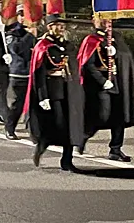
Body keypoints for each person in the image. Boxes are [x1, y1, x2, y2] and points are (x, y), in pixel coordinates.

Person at [25, 14, 85, 171]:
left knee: (70, 126)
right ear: (49, 27)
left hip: (68, 90)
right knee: (58, 124)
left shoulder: (68, 45)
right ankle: (41, 146)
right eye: (58, 24)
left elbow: (74, 67)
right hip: (52, 91)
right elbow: (39, 73)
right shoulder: (43, 46)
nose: (61, 27)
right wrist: (43, 96)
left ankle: (67, 161)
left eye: (63, 24)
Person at [77, 16, 134, 162]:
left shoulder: (116, 37)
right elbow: (88, 65)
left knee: (119, 116)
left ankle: (115, 149)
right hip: (101, 85)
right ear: (94, 21)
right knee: (102, 115)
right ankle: (83, 136)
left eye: (108, 20)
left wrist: (116, 53)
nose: (106, 23)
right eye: (102, 20)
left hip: (117, 82)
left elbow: (126, 57)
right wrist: (102, 81)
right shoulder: (91, 40)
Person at [4, 4, 36, 140]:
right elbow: (18, 49)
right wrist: (30, 35)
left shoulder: (35, 31)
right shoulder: (13, 32)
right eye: (21, 15)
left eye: (26, 15)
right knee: (19, 103)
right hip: (20, 73)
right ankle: (10, 128)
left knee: (35, 104)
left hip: (35, 73)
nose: (24, 18)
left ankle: (34, 131)